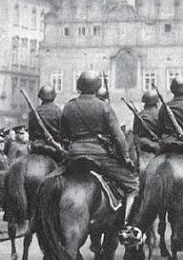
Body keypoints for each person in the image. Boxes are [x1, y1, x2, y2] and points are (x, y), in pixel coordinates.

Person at [59, 70, 141, 243]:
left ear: (79, 86)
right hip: (99, 157)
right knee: (133, 185)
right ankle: (126, 227)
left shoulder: (69, 106)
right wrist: (125, 158)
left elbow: (63, 136)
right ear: (97, 87)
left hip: (74, 156)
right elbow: (118, 137)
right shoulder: (104, 106)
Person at [28, 85, 63, 161]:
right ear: (54, 96)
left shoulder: (33, 112)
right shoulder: (58, 112)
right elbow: (62, 133)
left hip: (36, 148)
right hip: (53, 148)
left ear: (40, 96)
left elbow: (31, 134)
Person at [132, 89, 162, 154]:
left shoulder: (139, 115)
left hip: (141, 145)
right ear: (156, 103)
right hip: (157, 146)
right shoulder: (159, 115)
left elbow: (135, 132)